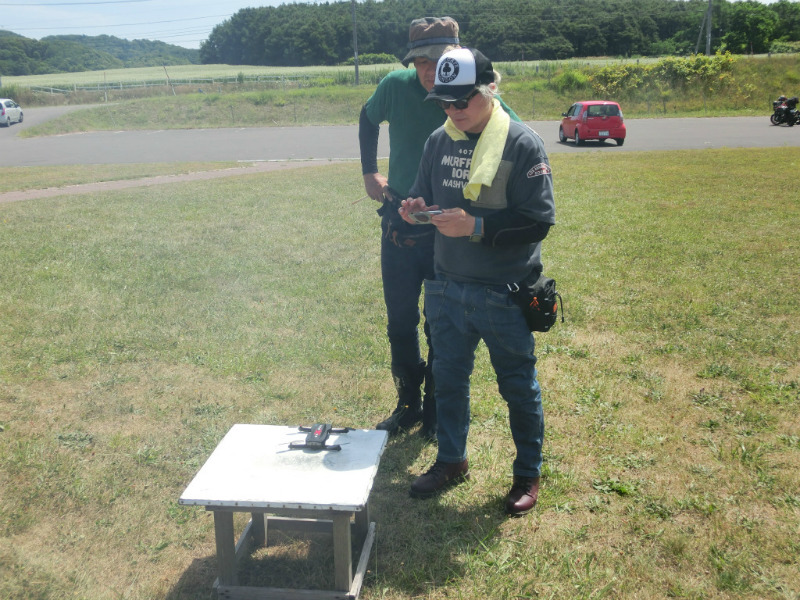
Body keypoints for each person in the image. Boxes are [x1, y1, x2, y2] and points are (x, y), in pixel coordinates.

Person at [398, 47, 556, 517]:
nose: (453, 111)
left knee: (518, 387)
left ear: (490, 89)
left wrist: (477, 227)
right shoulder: (439, 140)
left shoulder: (522, 144)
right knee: (447, 381)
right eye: (444, 102)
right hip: (446, 286)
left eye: (462, 100)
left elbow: (539, 222)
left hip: (504, 291)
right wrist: (415, 209)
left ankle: (527, 472)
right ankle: (452, 460)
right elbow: (423, 194)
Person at [359, 18, 520, 440]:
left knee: (441, 323)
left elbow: (514, 132)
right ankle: (407, 403)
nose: (430, 70)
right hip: (401, 219)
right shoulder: (395, 86)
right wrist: (369, 171)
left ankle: (434, 409)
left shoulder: (470, 92)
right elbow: (367, 117)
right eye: (421, 62)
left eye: (439, 60)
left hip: (449, 230)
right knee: (399, 320)